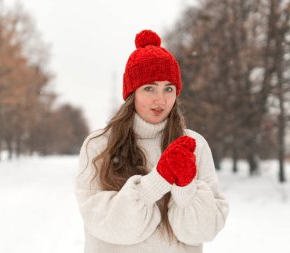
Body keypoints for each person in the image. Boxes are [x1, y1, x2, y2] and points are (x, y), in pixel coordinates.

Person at [75, 29, 229, 253]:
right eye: (149, 88)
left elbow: (204, 230)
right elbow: (104, 223)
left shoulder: (193, 145)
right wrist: (158, 180)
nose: (161, 99)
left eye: (169, 88)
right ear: (132, 94)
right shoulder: (99, 145)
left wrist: (185, 188)